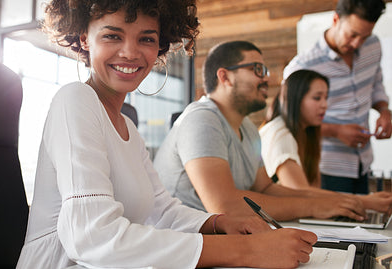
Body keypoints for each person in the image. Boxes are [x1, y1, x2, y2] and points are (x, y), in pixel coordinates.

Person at [16, 0, 317, 269]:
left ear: (160, 46)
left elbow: (159, 208)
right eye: (112, 36)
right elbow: (92, 237)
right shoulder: (74, 100)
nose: (130, 53)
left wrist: (216, 224)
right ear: (85, 39)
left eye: (146, 38)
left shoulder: (127, 126)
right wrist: (247, 252)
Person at [153, 40, 368, 222]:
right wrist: (314, 208)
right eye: (258, 70)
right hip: (184, 249)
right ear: (225, 77)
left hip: (219, 241)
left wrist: (330, 202)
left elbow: (265, 188)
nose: (266, 79)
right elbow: (225, 207)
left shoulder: (249, 128)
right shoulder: (201, 119)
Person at [283, 0, 391, 194]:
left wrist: (384, 111)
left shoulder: (373, 45)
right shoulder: (303, 66)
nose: (357, 43)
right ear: (335, 19)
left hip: (364, 163)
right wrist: (336, 131)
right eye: (352, 35)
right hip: (326, 168)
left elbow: (376, 84)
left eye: (365, 36)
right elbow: (290, 120)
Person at [260, 69, 392, 212]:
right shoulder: (280, 134)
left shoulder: (308, 132)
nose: (324, 105)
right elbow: (299, 192)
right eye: (317, 98)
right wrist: (363, 201)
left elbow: (312, 188)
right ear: (295, 99)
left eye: (326, 98)